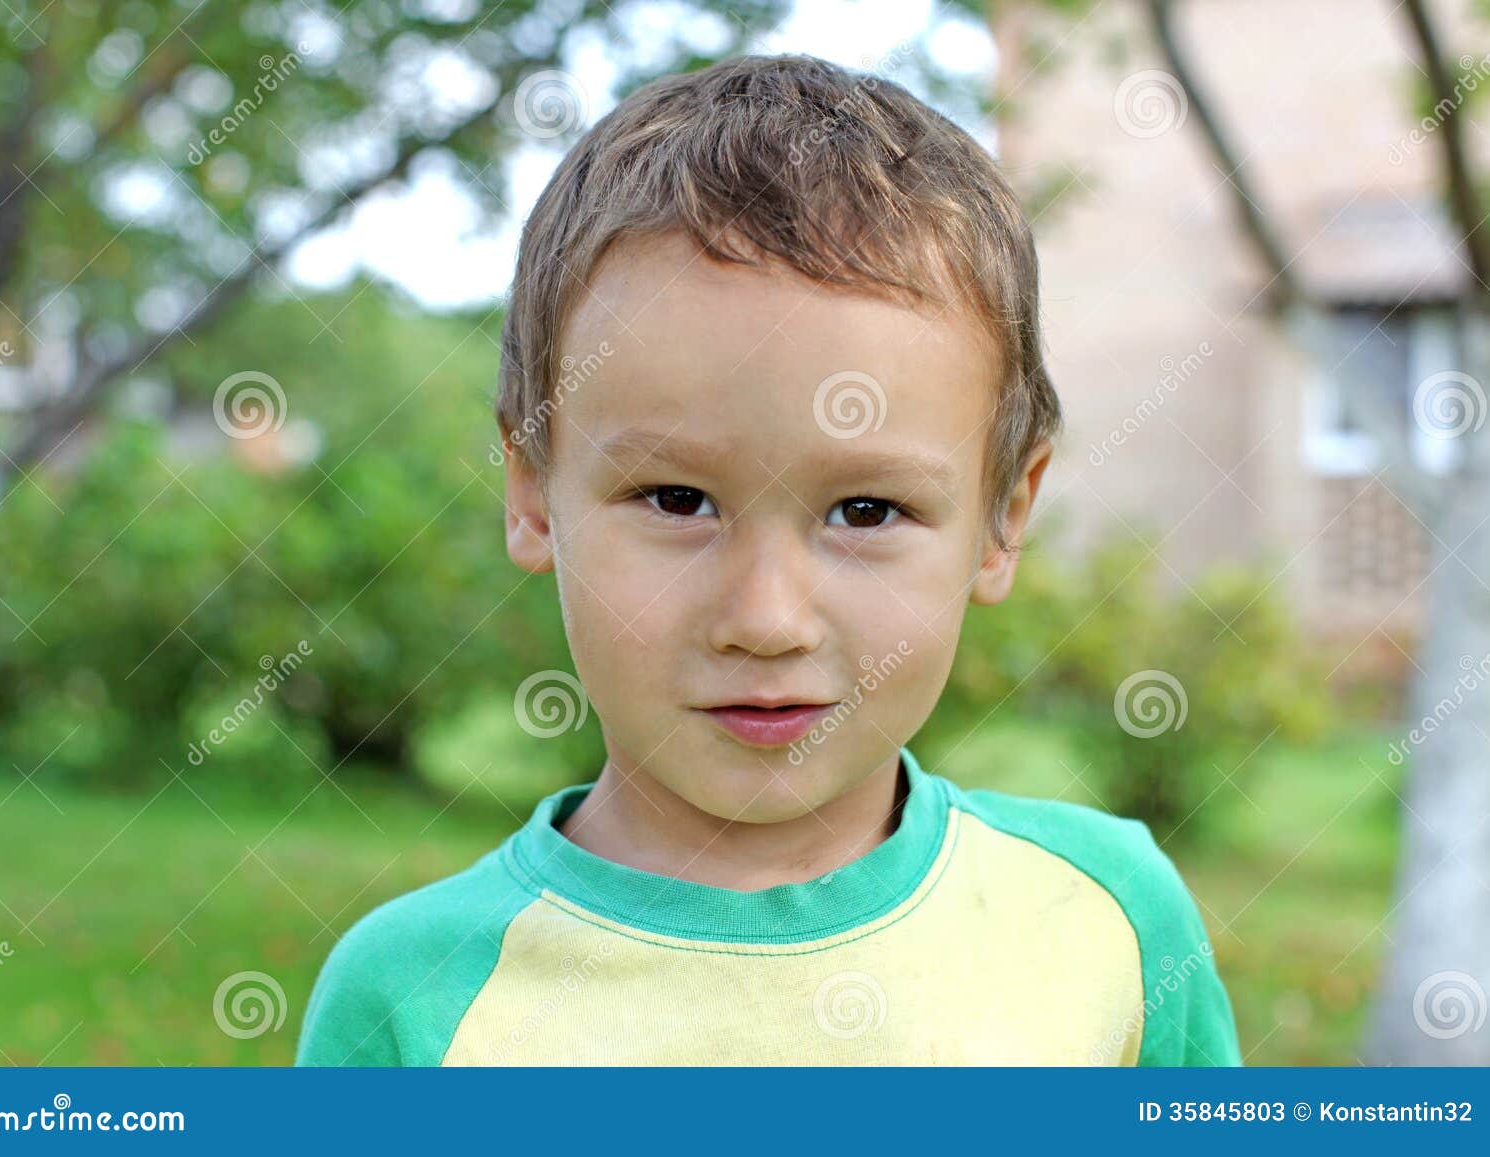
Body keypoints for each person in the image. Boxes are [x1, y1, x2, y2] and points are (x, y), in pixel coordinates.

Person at [295, 52, 1241, 1066]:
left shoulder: (1104, 920)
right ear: (533, 492)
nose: (766, 616)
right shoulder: (412, 1000)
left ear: (1002, 517)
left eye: (866, 508)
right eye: (674, 499)